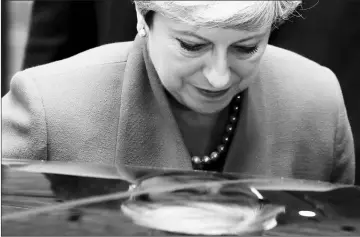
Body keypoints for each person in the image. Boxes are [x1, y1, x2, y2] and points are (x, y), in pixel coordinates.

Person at [2, 1, 355, 193]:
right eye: (191, 45)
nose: (218, 77)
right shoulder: (47, 106)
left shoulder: (317, 101)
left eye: (246, 48)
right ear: (144, 19)